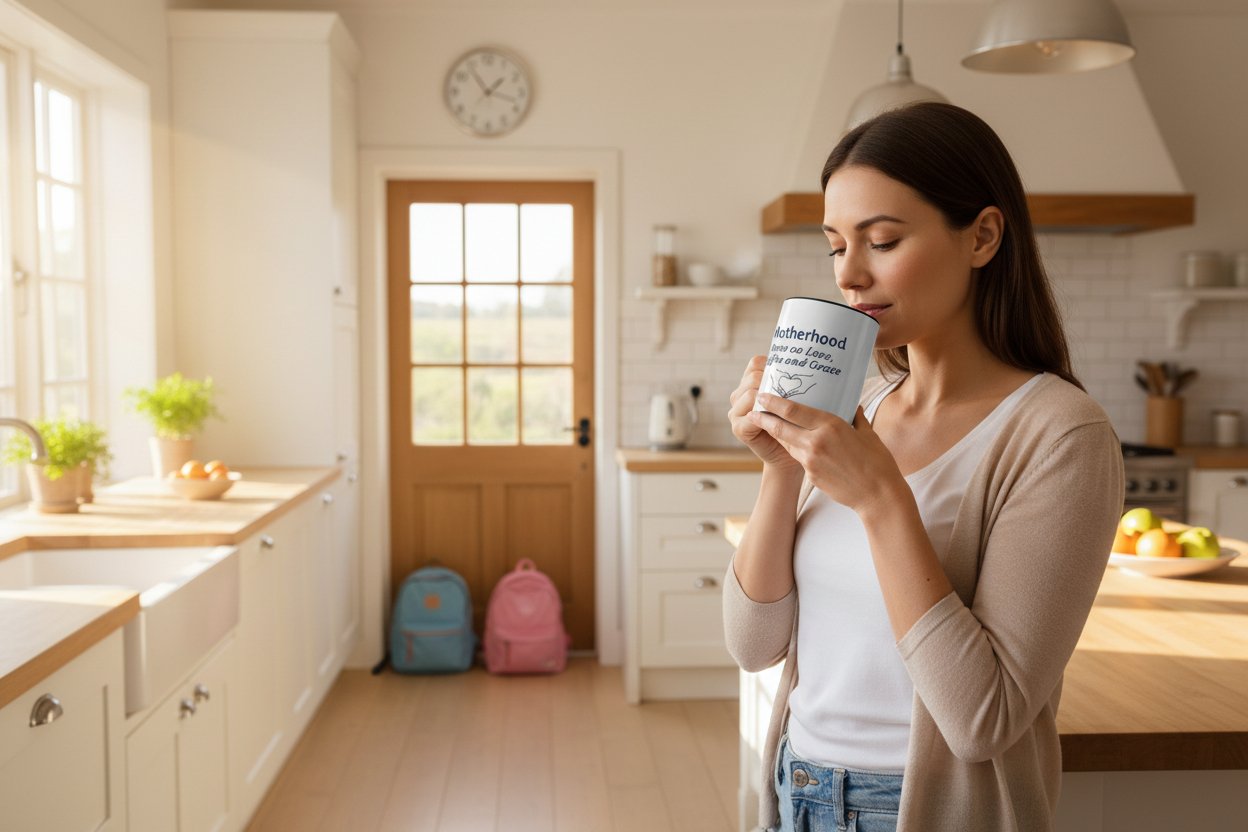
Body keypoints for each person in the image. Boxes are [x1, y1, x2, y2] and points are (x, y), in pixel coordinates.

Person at [723, 101, 1124, 832]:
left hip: (921, 810)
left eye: (882, 240)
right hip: (799, 786)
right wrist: (781, 465)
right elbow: (754, 646)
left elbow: (984, 719)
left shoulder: (1061, 436)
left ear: (982, 236)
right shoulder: (857, 405)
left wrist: (882, 500)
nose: (850, 274)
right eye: (835, 245)